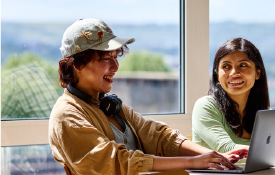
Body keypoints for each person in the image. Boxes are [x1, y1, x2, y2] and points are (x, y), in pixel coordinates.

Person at [48, 19, 247, 175]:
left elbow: (158, 136)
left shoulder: (108, 104)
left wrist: (213, 156)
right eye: (105, 59)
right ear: (77, 64)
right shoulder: (66, 115)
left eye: (116, 57)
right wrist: (193, 162)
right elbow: (116, 162)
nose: (115, 67)